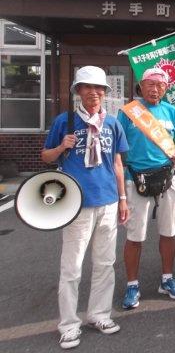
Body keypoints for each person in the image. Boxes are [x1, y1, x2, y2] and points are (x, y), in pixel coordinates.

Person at [42, 66, 129, 349]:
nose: (94, 92)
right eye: (88, 87)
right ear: (78, 91)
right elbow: (46, 157)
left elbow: (117, 163)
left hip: (108, 200)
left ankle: (99, 315)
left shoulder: (112, 123)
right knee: (72, 267)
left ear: (105, 92)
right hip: (76, 203)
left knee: (105, 263)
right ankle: (68, 324)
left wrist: (123, 198)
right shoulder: (65, 121)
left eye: (99, 88)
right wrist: (60, 147)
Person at [118, 68, 175, 310]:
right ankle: (132, 285)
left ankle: (167, 279)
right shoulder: (128, 112)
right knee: (135, 236)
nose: (155, 89)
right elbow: (118, 150)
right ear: (141, 85)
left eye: (160, 85)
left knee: (169, 232)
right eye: (150, 84)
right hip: (136, 178)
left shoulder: (172, 111)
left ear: (166, 88)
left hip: (168, 177)